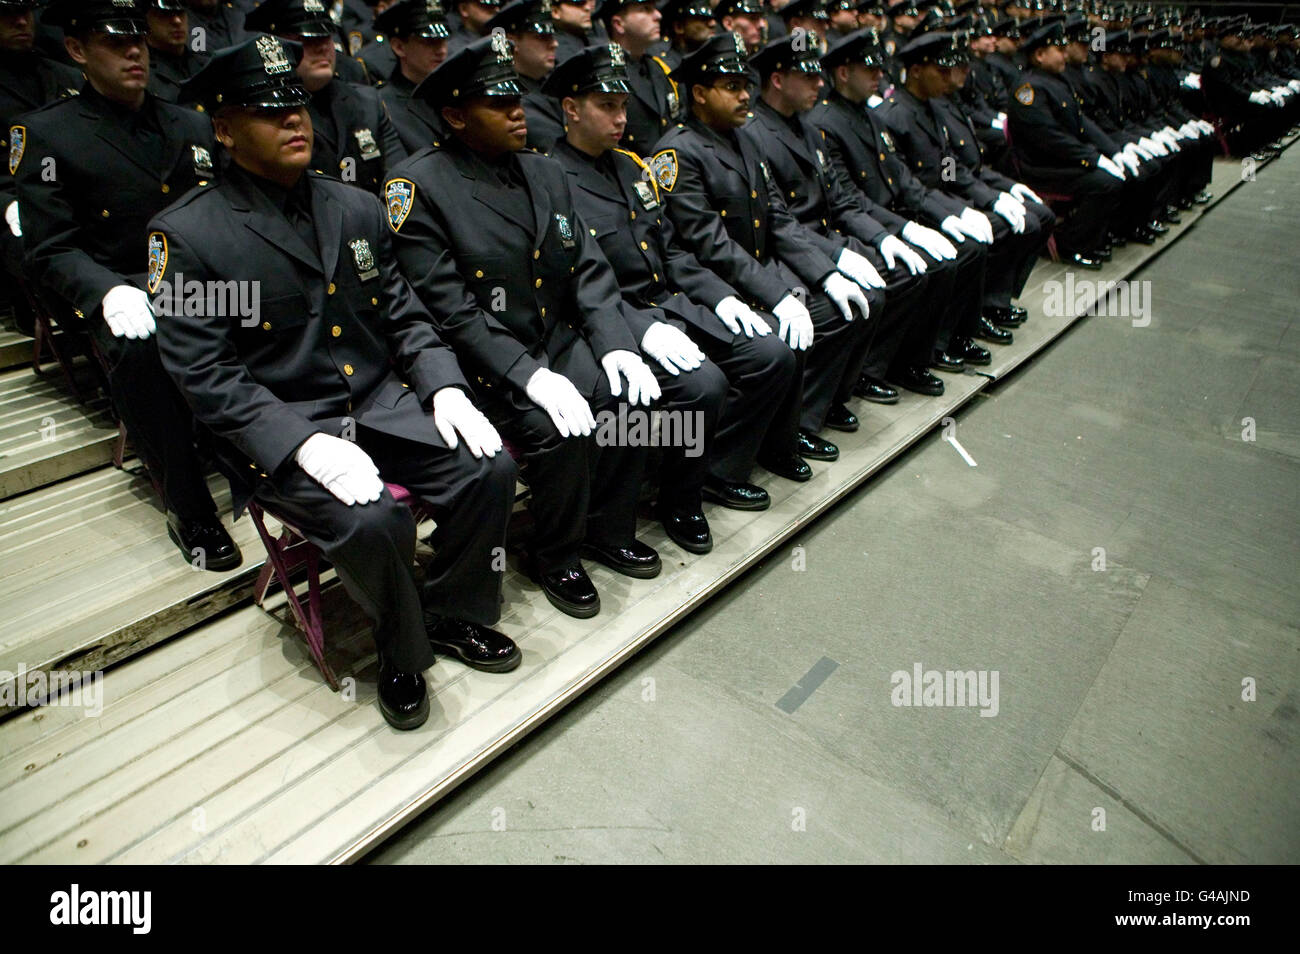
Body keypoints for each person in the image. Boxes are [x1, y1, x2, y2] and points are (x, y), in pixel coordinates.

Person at [152, 35, 520, 731]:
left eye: (298, 107)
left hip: (380, 401)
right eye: (270, 113)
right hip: (285, 426)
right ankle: (403, 654)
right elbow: (205, 375)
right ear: (224, 131)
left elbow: (405, 315)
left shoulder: (353, 206)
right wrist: (300, 445)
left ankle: (452, 613)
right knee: (373, 518)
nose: (296, 122)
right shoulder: (187, 236)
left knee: (489, 468)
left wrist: (443, 385)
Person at [385, 35, 665, 619]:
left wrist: (615, 344)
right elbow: (451, 307)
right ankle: (554, 553)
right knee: (559, 433)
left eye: (517, 99)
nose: (518, 112)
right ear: (457, 116)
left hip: (555, 339)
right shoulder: (418, 188)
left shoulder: (544, 171)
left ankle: (606, 530)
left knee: (631, 402)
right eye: (497, 104)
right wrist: (528, 375)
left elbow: (587, 266)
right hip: (483, 362)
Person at [14, 0, 241, 570]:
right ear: (76, 51)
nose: (134, 50)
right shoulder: (48, 133)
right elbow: (49, 247)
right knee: (142, 346)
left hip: (188, 282)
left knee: (261, 305)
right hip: (119, 286)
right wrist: (106, 291)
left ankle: (271, 460)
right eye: (115, 42)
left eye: (137, 39)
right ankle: (188, 505)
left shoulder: (187, 121)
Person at [547, 43, 796, 533]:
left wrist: (720, 295)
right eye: (606, 106)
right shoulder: (551, 180)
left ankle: (712, 470)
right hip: (610, 318)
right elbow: (573, 282)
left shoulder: (633, 166)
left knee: (770, 355)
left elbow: (673, 252)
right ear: (571, 110)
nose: (620, 118)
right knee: (704, 385)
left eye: (623, 106)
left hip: (669, 303)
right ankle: (678, 501)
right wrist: (641, 330)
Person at [651, 32, 870, 481]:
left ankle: (784, 436)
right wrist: (775, 295)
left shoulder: (742, 138)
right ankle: (720, 468)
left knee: (837, 309)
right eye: (730, 87)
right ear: (699, 93)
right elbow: (710, 245)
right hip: (705, 288)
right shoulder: (677, 152)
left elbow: (778, 218)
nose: (745, 94)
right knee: (775, 347)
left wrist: (825, 273)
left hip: (753, 274)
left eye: (744, 85)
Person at [741, 30, 944, 411]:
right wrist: (833, 261)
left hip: (828, 236)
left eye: (819, 75)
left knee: (910, 272)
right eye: (808, 76)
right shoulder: (754, 134)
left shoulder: (807, 127)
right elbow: (779, 223)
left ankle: (860, 376)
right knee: (857, 300)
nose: (820, 83)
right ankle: (808, 407)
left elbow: (843, 200)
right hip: (788, 249)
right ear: (779, 80)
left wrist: (888, 236)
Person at [811, 26, 989, 381]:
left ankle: (923, 351)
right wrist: (899, 230)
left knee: (961, 251)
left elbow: (902, 178)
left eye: (881, 68)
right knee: (922, 270)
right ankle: (876, 367)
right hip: (855, 224)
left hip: (890, 214)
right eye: (870, 70)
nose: (880, 76)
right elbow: (848, 199)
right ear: (844, 73)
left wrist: (949, 213)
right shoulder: (824, 123)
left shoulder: (870, 115)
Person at [245, 0, 407, 194]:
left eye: (326, 37)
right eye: (308, 39)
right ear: (276, 46)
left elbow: (399, 181)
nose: (323, 47)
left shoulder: (367, 102)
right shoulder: (264, 117)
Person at [1005, 16, 1123, 266]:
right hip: (1041, 167)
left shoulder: (1056, 80)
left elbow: (1082, 123)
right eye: (1058, 50)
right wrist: (1092, 159)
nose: (1064, 55)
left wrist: (1111, 151)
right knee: (1105, 183)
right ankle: (1071, 244)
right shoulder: (1027, 89)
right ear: (1039, 54)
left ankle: (1093, 238)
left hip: (1060, 160)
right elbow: (1048, 138)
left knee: (1116, 175)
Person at [1, 0, 82, 306]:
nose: (21, 22)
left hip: (76, 192)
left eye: (24, 13)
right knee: (34, 238)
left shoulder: (66, 75)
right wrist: (5, 204)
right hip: (15, 200)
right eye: (7, 14)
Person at [598, 0, 679, 150]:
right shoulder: (603, 76)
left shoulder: (661, 69)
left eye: (655, 9)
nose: (658, 15)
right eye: (646, 9)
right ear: (619, 24)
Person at [485, 0, 565, 152]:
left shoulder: (555, 83)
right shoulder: (505, 97)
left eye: (553, 36)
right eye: (542, 37)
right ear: (512, 42)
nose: (554, 44)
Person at [374, 0, 450, 151]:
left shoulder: (455, 91)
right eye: (429, 42)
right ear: (399, 47)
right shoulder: (381, 105)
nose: (441, 50)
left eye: (443, 40)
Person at [145, 0, 208, 103]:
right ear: (146, 20)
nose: (177, 21)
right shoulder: (142, 74)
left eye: (181, 12)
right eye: (166, 14)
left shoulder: (206, 64)